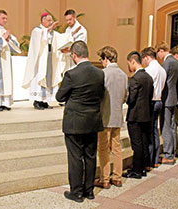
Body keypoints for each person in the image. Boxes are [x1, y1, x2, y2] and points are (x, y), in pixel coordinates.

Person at [56, 41, 104, 203]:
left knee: (75, 157)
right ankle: (89, 191)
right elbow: (100, 95)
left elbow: (59, 97)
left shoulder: (72, 74)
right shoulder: (99, 73)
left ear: (74, 55)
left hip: (75, 122)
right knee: (90, 156)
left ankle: (76, 192)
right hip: (93, 121)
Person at [22, 12, 73, 110]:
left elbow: (61, 38)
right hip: (40, 60)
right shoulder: (37, 30)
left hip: (49, 58)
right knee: (40, 78)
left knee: (49, 78)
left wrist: (70, 36)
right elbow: (39, 40)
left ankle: (45, 101)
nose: (51, 22)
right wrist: (48, 30)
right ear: (43, 21)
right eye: (49, 20)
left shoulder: (52, 32)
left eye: (51, 20)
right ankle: (37, 101)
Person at [94, 46, 128, 189]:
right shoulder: (124, 75)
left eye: (102, 59)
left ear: (106, 59)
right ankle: (118, 178)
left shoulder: (103, 74)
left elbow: (98, 96)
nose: (101, 62)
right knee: (116, 148)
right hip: (117, 117)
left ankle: (105, 179)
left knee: (103, 149)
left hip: (104, 117)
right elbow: (125, 96)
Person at [122, 51, 153, 179]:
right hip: (146, 115)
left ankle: (137, 170)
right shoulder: (148, 77)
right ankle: (144, 167)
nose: (129, 66)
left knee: (137, 144)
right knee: (144, 142)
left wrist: (126, 99)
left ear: (133, 61)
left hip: (135, 116)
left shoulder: (135, 79)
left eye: (129, 63)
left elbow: (132, 99)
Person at [141, 47, 167, 169]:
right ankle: (155, 159)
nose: (143, 62)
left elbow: (146, 87)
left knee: (148, 132)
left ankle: (149, 161)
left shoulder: (150, 69)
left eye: (143, 59)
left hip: (151, 102)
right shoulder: (162, 69)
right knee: (155, 131)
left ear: (146, 57)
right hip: (159, 101)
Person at [156, 41, 178, 165]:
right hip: (173, 97)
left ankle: (168, 155)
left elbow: (163, 80)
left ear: (161, 51)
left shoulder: (167, 62)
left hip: (166, 98)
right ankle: (173, 152)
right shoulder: (176, 62)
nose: (158, 57)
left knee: (166, 127)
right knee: (172, 126)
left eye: (158, 53)